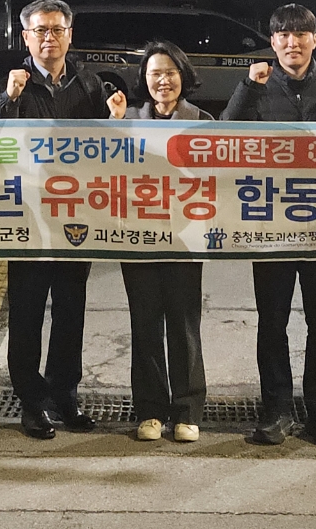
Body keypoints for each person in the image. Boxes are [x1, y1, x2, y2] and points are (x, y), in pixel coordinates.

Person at [221, 4, 316, 446]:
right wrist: (248, 87)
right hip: (270, 228)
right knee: (272, 322)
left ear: (314, 39)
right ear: (272, 41)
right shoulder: (256, 88)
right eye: (283, 35)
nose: (292, 43)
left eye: (301, 34)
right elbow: (225, 136)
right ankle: (276, 411)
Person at [0, 0, 126, 439]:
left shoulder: (89, 84)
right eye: (40, 31)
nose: (49, 38)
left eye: (57, 30)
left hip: (76, 217)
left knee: (70, 313)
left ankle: (65, 395)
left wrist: (115, 120)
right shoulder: (14, 84)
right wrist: (8, 100)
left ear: (70, 34)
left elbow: (106, 149)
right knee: (26, 313)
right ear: (25, 37)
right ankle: (31, 403)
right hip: (28, 217)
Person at [114, 41, 212, 443]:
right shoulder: (126, 119)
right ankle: (151, 411)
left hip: (185, 238)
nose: (163, 81)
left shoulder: (202, 121)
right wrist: (112, 124)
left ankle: (188, 411)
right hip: (137, 237)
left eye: (170, 72)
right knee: (145, 325)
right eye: (154, 73)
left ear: (183, 76)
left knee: (184, 324)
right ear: (144, 79)